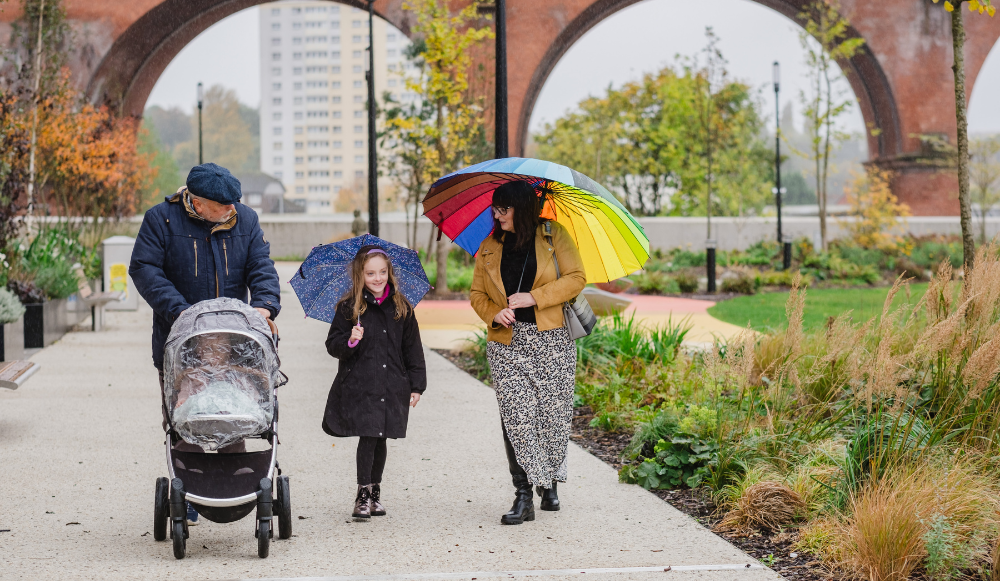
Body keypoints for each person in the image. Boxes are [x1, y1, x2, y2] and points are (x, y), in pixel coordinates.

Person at [129, 162, 282, 524]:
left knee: (236, 407)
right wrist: (181, 312)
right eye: (223, 205)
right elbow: (144, 269)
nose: (232, 209)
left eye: (234, 203)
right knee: (188, 411)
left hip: (233, 340)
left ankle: (235, 484)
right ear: (197, 202)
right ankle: (190, 488)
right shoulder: (161, 220)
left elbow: (262, 266)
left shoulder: (245, 219)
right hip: (182, 338)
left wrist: (264, 306)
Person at [469, 180, 586, 525]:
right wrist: (494, 313)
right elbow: (477, 294)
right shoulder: (489, 246)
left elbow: (577, 278)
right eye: (495, 208)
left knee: (551, 414)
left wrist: (535, 297)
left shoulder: (553, 236)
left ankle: (547, 481)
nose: (496, 214)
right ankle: (523, 494)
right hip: (507, 343)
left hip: (551, 339)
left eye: (504, 208)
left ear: (522, 209)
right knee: (516, 415)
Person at [322, 245, 427, 520]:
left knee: (381, 438)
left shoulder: (402, 308)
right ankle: (363, 494)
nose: (377, 279)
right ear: (360, 275)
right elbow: (333, 345)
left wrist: (416, 385)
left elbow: (412, 349)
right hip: (362, 384)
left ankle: (375, 491)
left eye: (382, 272)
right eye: (371, 273)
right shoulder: (350, 308)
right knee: (368, 435)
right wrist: (351, 340)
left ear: (389, 273)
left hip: (392, 383)